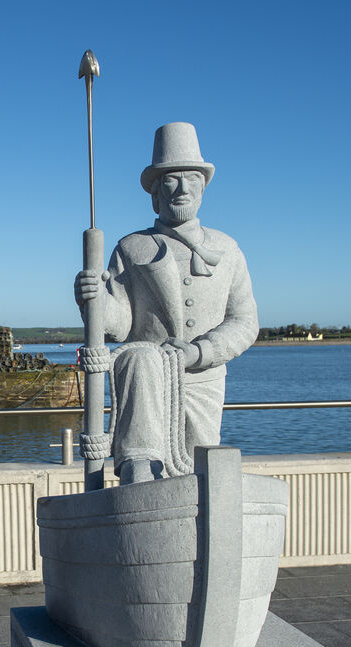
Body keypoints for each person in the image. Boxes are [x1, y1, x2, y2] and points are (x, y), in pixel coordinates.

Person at [75, 122, 258, 483]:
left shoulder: (227, 249)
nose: (182, 188)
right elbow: (121, 324)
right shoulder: (131, 248)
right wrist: (94, 301)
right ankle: (138, 468)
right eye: (171, 180)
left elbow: (245, 321)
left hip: (203, 381)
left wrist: (202, 352)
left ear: (203, 188)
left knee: (198, 475)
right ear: (155, 193)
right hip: (147, 381)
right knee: (140, 361)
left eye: (191, 178)